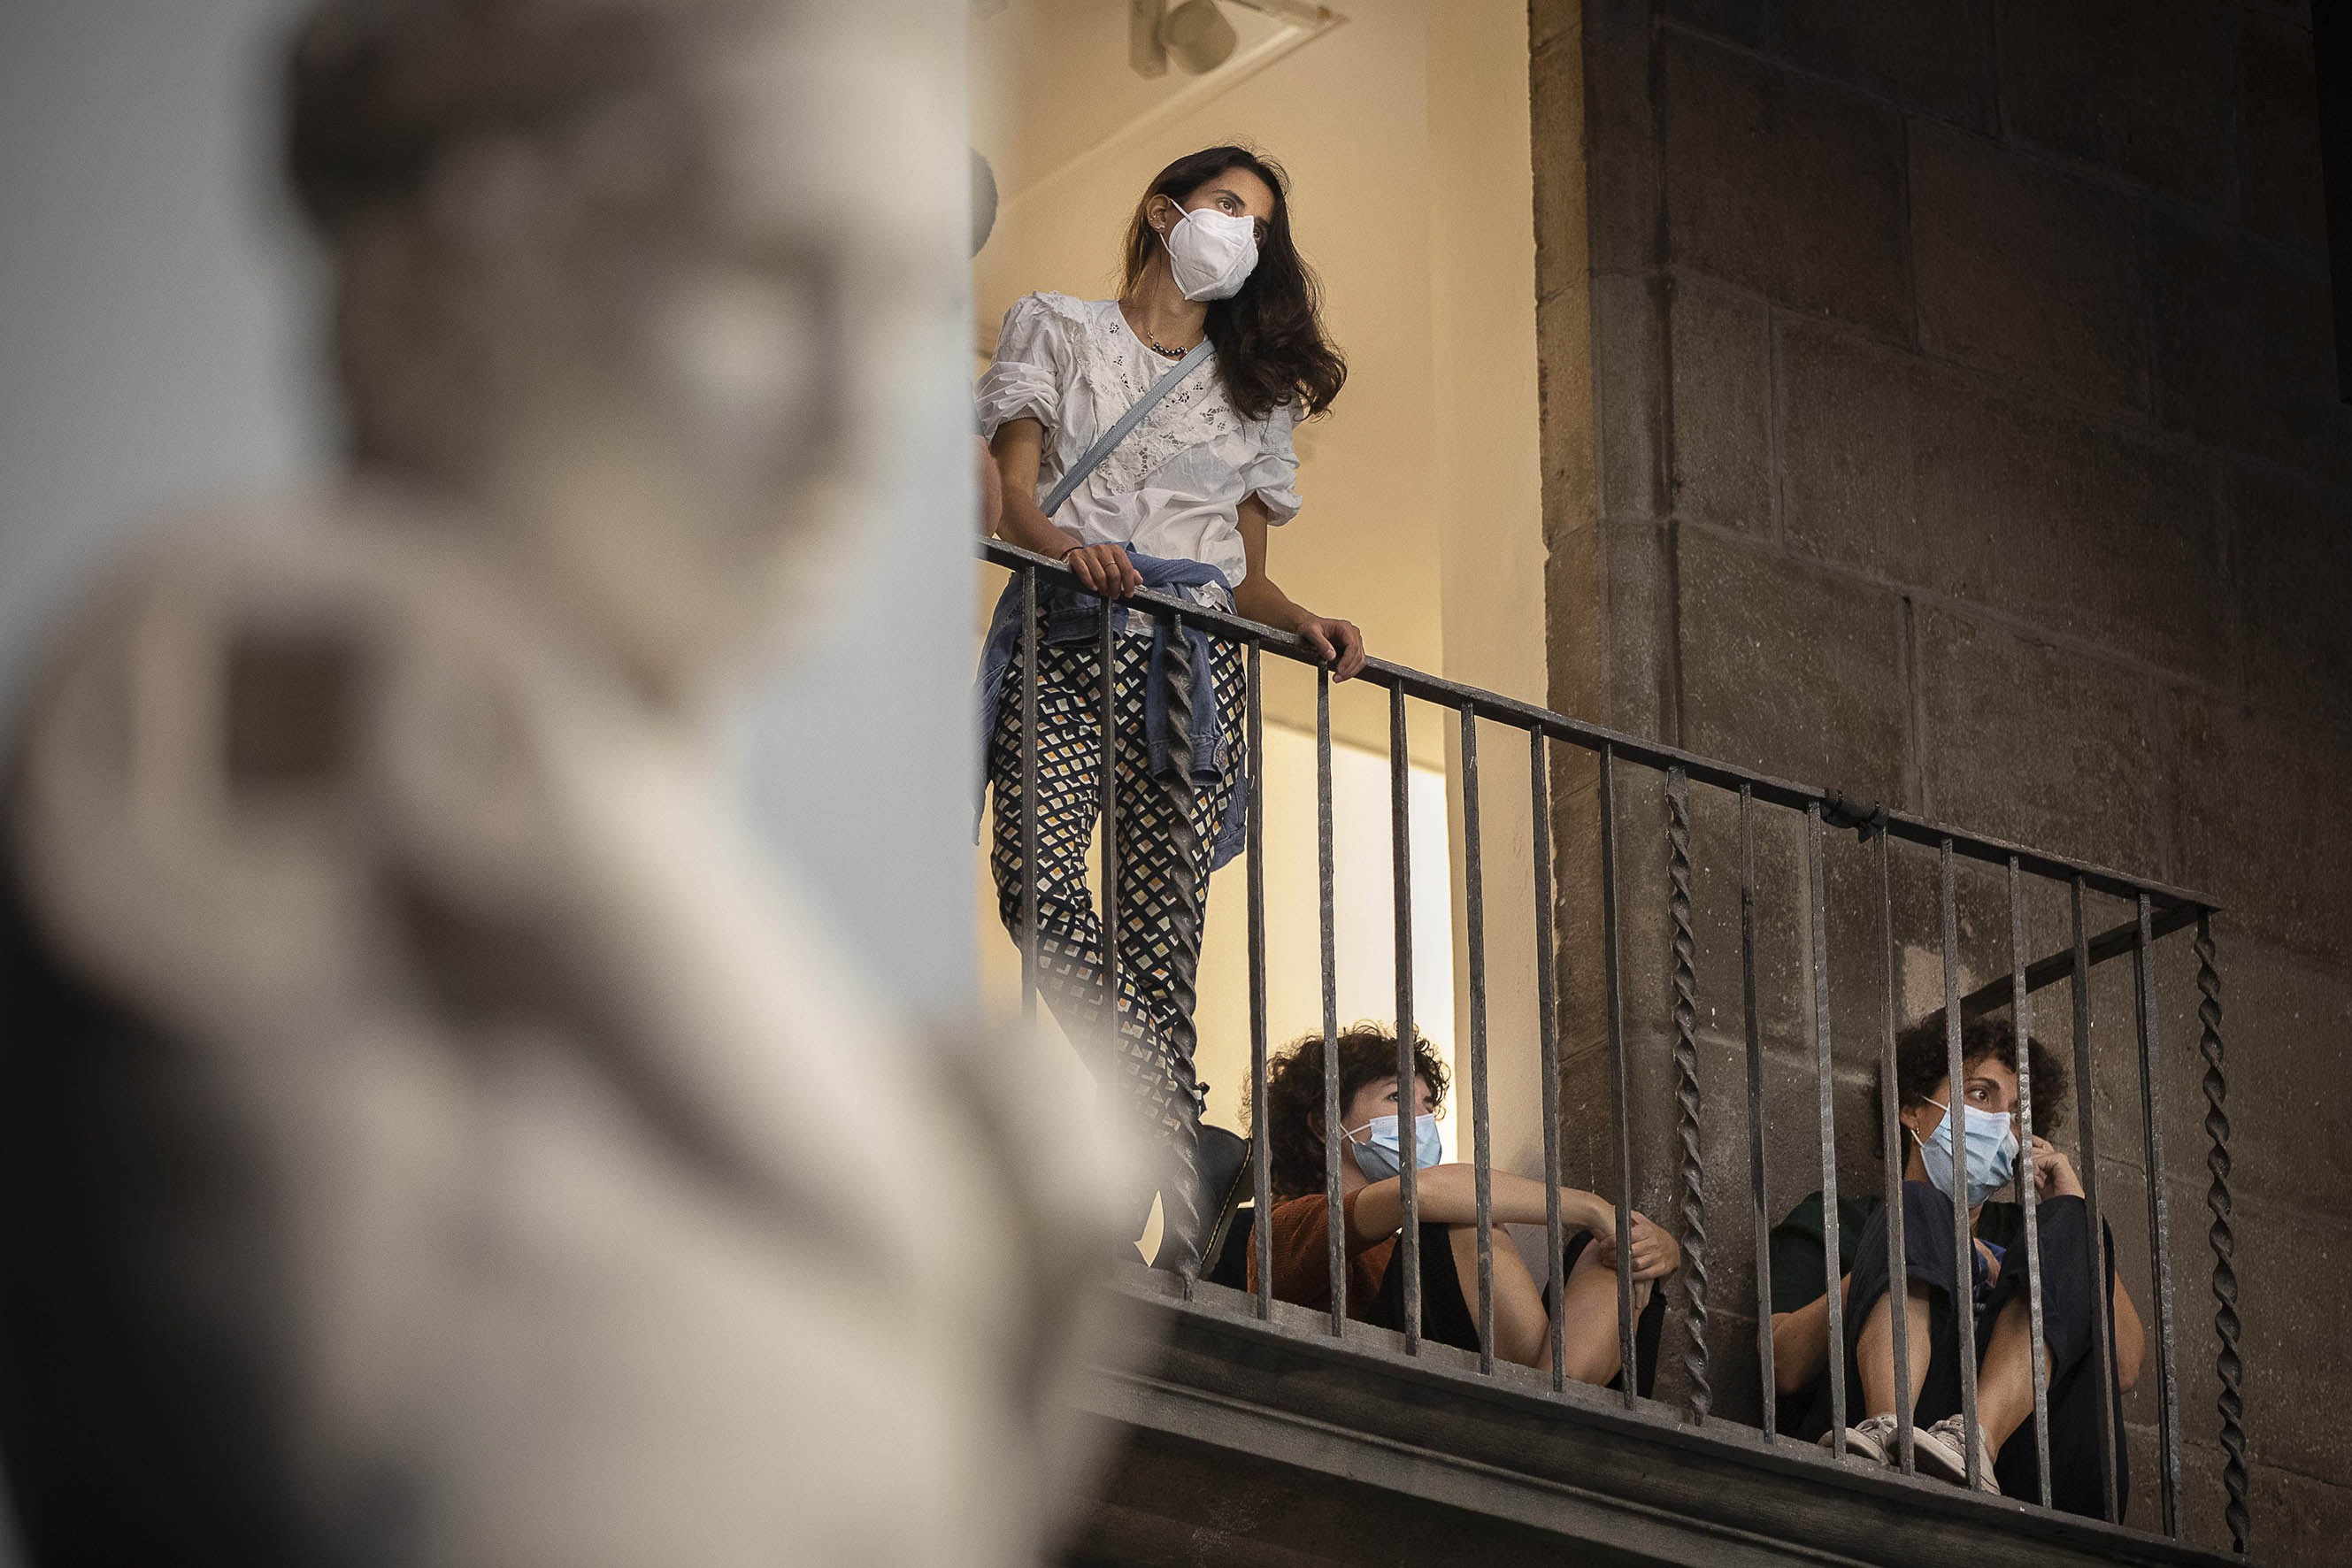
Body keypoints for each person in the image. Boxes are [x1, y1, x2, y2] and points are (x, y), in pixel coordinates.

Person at [974, 146, 1360, 1272]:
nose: (1243, 233)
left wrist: (1305, 619)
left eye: (1260, 224)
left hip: (1193, 667)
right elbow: (1009, 501)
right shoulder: (1056, 326)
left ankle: (1155, 1214)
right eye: (1228, 206)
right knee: (1035, 882)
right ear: (1164, 211)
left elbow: (1247, 579)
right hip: (1063, 631)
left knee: (1159, 945)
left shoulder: (1254, 397)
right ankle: (1181, 1133)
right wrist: (1070, 548)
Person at [1768, 1015, 2145, 1515]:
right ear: (1911, 1109)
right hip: (1873, 1449)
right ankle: (1888, 1433)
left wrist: (2070, 1209)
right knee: (1919, 1205)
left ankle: (1974, 1442)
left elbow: (2123, 1367)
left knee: (2076, 1220)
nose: (2002, 1125)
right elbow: (1782, 1365)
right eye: (1981, 1095)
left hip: (2019, 1475)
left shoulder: (2032, 1232)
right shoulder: (1841, 1220)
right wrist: (1910, 1261)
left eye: (2017, 1116)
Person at [1249, 1024, 1673, 1389]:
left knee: (1608, 1251)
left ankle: (1552, 1400)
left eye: (1428, 1105)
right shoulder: (1284, 1225)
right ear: (1325, 1123)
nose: (1422, 1117)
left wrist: (1661, 1249)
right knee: (1461, 1215)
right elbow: (1422, 1194)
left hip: (1514, 1386)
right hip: (1379, 1396)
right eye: (1397, 1098)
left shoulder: (1407, 1246)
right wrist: (1593, 1207)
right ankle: (1549, 1402)